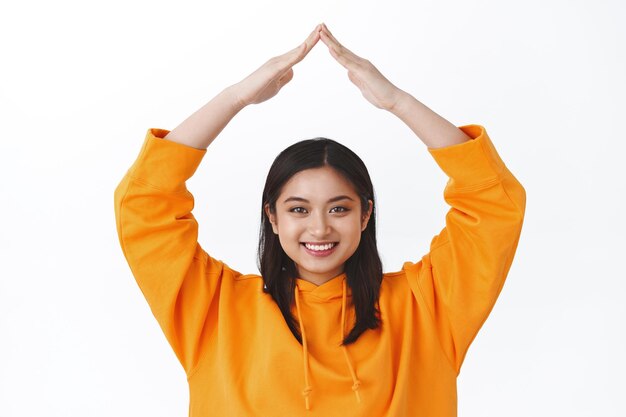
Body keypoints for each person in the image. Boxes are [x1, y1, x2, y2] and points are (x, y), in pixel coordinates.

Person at [114, 23, 526, 417]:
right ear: (271, 217)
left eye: (339, 208)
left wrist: (398, 102)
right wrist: (235, 97)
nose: (319, 228)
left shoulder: (426, 309)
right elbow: (143, 203)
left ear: (365, 214)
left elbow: (493, 204)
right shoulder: (215, 309)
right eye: (298, 209)